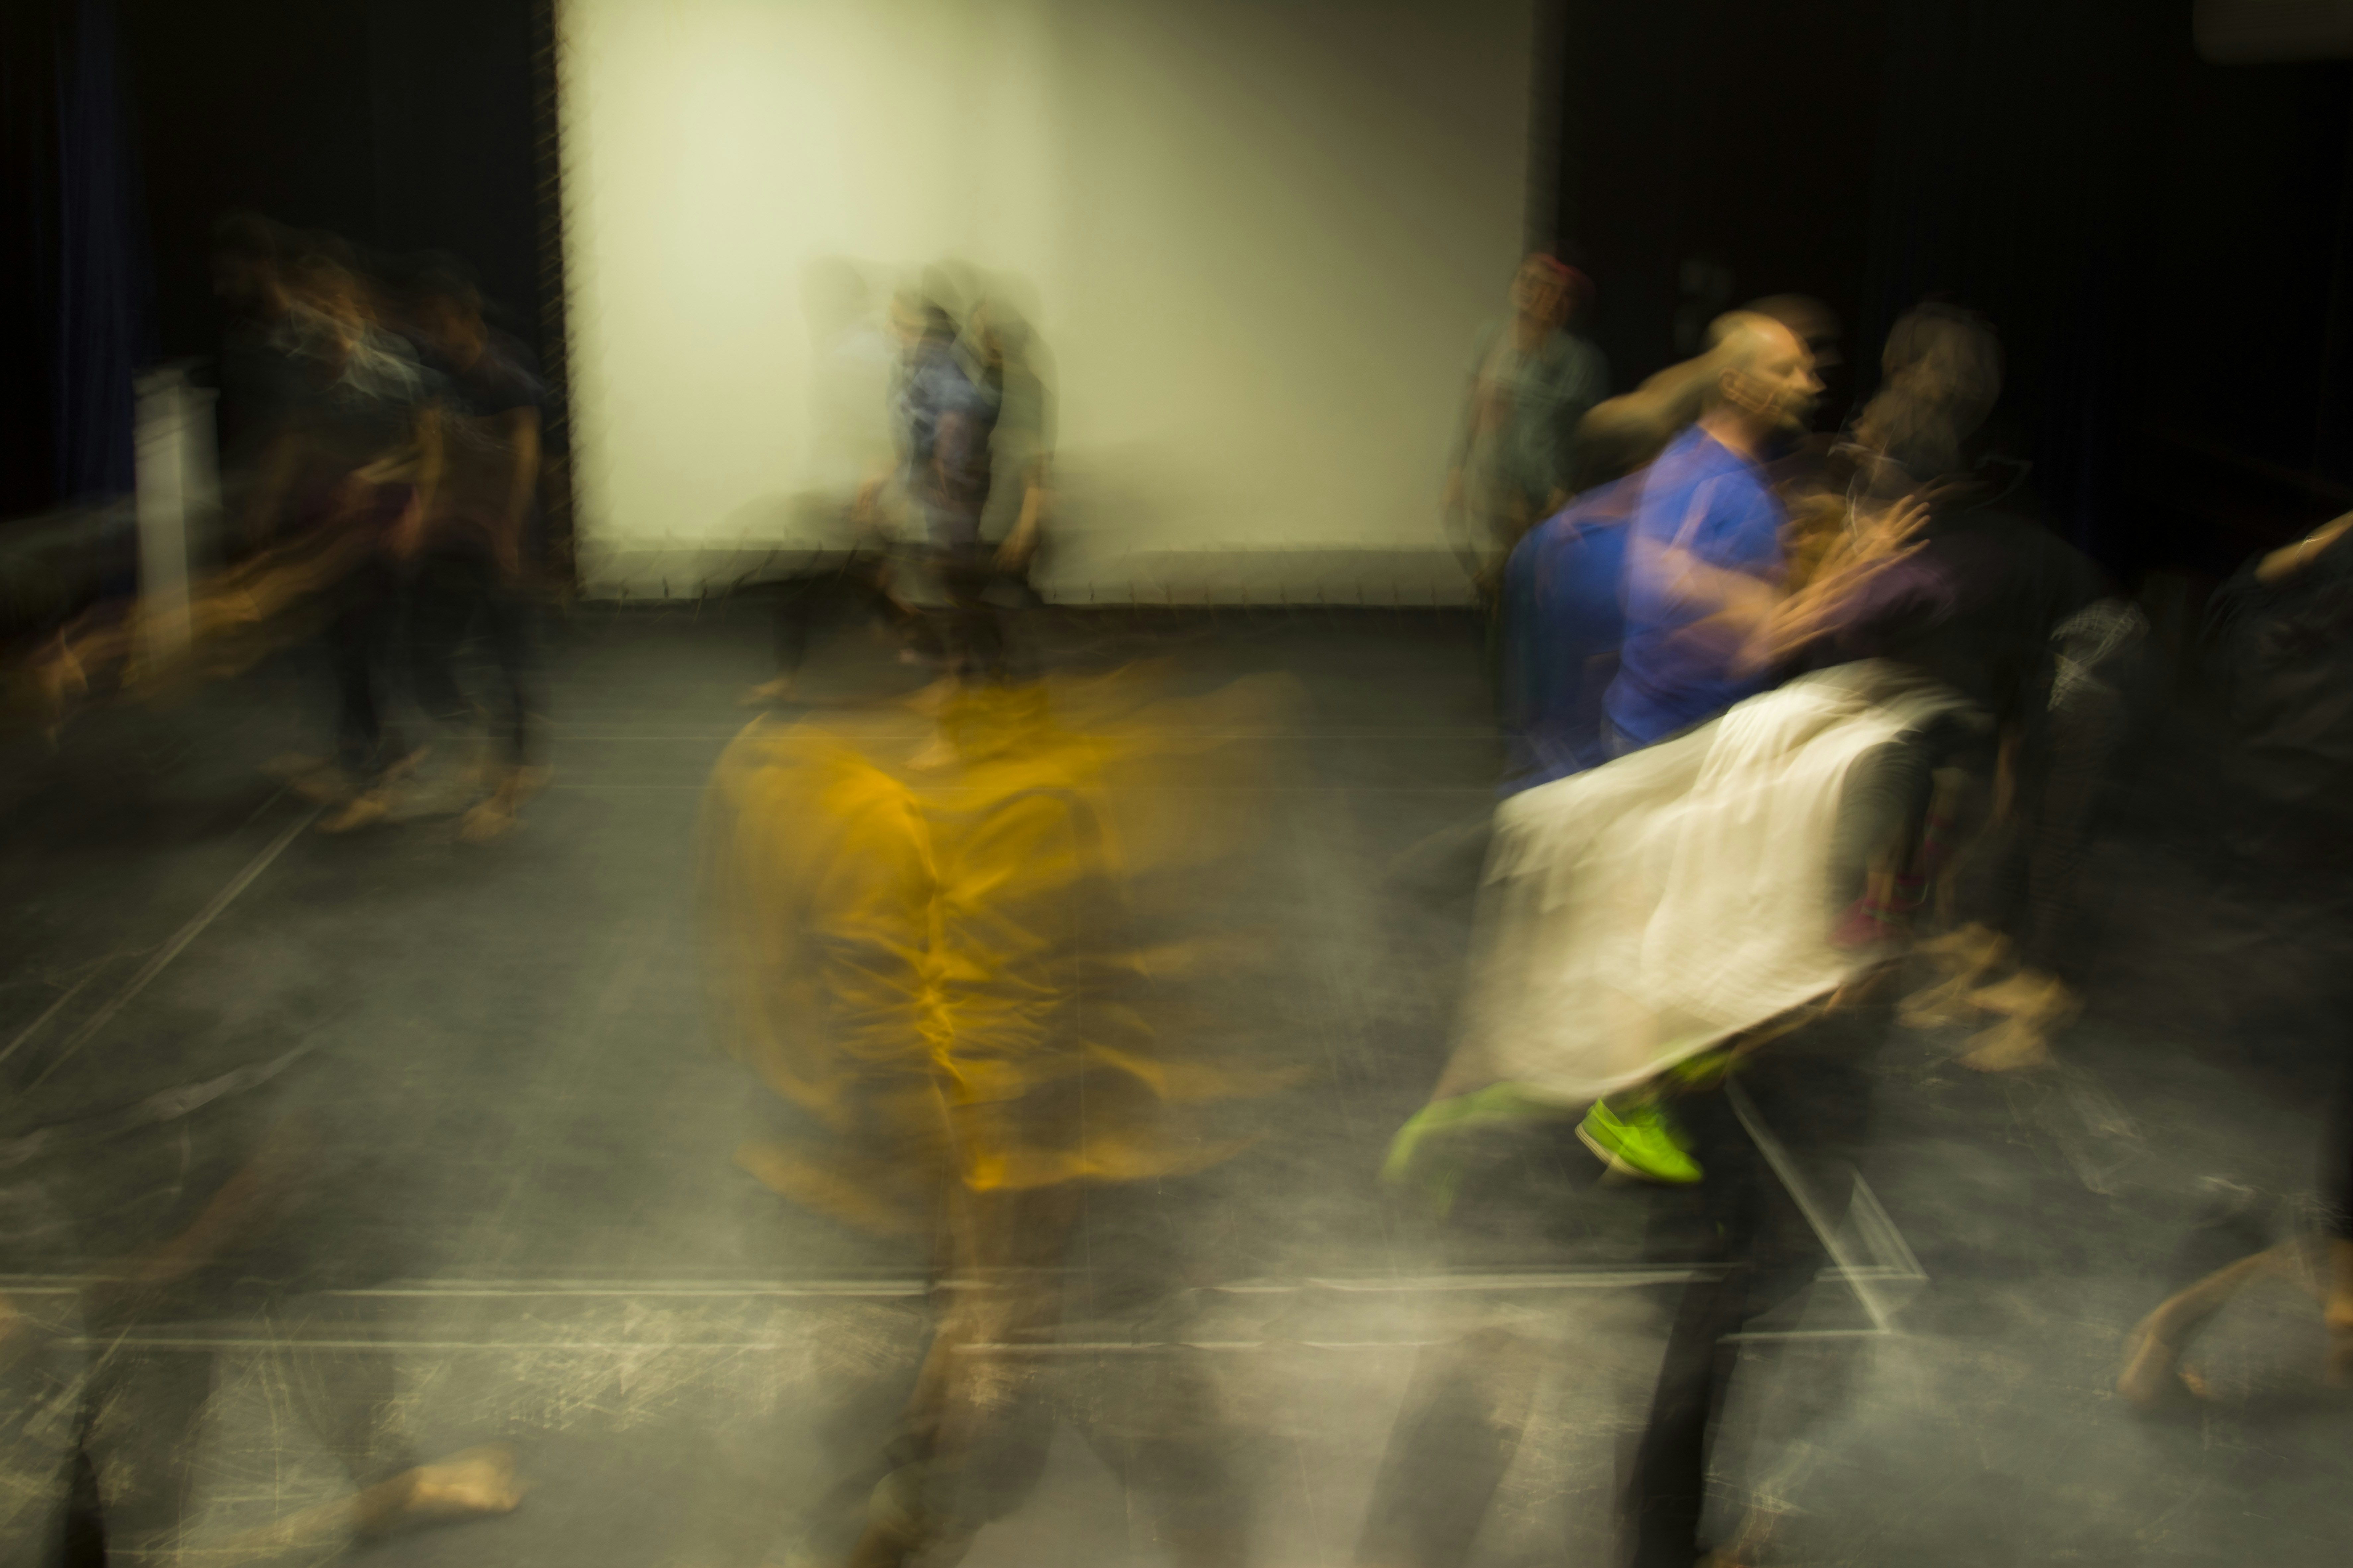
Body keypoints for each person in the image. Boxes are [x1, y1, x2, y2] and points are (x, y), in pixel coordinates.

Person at [1601, 312, 1828, 754]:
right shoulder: (1700, 472)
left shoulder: (1736, 472)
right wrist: (1752, 603)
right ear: (1735, 385)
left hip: (1706, 738)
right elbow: (1650, 575)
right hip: (1667, 743)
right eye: (1785, 371)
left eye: (1807, 370)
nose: (1808, 385)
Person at [391, 260, 550, 841]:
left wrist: (509, 528)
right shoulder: (435, 375)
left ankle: (508, 791)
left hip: (502, 532)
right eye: (426, 321)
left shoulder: (504, 371)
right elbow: (434, 450)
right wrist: (420, 512)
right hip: (454, 531)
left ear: (467, 316)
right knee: (426, 655)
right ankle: (476, 743)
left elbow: (525, 453)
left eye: (442, 320)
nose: (434, 332)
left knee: (508, 659)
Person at [1443, 254, 1609, 603]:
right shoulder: (1493, 340)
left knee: (1535, 580)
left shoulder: (1580, 360)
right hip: (1501, 482)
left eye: (1552, 290)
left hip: (1547, 487)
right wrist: (1457, 471)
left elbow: (1587, 434)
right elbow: (1475, 411)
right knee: (1505, 578)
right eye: (1528, 281)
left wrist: (1563, 491)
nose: (1538, 294)